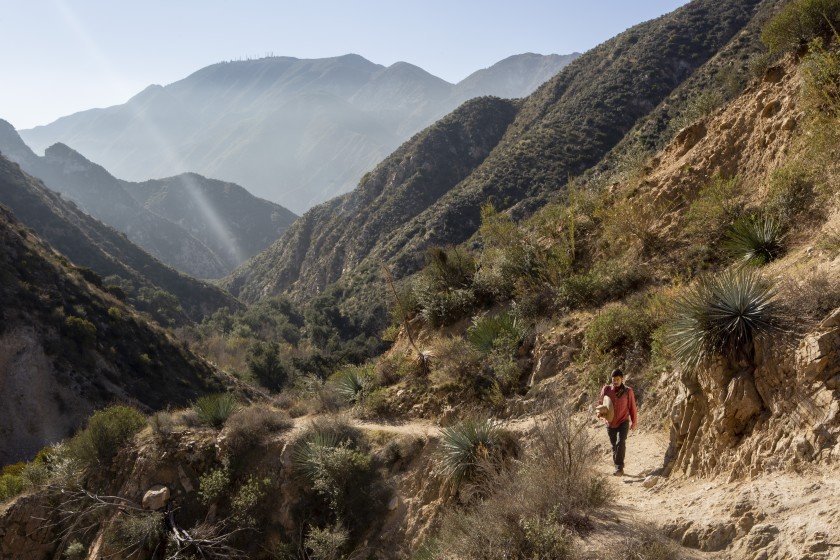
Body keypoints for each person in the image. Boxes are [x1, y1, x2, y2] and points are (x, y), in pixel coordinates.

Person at [598, 369, 638, 476]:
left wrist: (634, 422)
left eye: (617, 379)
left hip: (623, 421)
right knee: (614, 446)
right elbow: (601, 404)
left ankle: (619, 468)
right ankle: (618, 466)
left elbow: (632, 407)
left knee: (621, 442)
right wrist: (600, 414)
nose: (615, 381)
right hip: (610, 422)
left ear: (622, 379)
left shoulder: (628, 391)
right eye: (613, 379)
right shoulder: (606, 389)